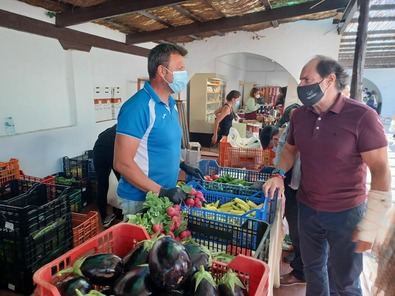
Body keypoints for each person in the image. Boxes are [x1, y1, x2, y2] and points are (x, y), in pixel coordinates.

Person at [263, 55, 391, 296]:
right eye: (300, 80)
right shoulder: (299, 115)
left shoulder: (362, 117)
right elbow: (289, 150)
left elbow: (381, 171)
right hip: (307, 209)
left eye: (306, 79)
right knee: (314, 271)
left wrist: (372, 224)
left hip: (346, 213)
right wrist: (279, 173)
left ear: (329, 79)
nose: (301, 85)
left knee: (345, 282)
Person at [114, 43, 203, 215]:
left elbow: (162, 145)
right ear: (162, 71)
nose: (184, 74)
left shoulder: (171, 104)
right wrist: (161, 191)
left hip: (165, 195)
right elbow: (121, 163)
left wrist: (183, 165)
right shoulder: (138, 107)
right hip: (140, 200)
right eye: (180, 69)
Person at [274, 104, 305, 286]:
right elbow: (283, 153)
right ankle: (299, 257)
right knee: (295, 225)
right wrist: (278, 175)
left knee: (299, 227)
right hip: (290, 180)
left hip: (302, 185)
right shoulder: (290, 129)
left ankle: (300, 271)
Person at [93, 124, 122, 227]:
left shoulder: (115, 128)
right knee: (124, 181)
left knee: (102, 184)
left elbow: (100, 135)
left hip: (98, 149)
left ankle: (104, 216)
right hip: (111, 150)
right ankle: (123, 212)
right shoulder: (129, 130)